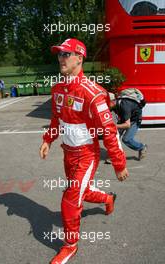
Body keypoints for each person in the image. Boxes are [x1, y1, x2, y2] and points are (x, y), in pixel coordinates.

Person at [39, 38, 129, 264]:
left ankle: (70, 246)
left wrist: (119, 164)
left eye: (66, 54)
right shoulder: (58, 88)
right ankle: (107, 198)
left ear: (79, 58)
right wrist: (48, 139)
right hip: (67, 153)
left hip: (87, 155)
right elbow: (56, 119)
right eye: (59, 54)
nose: (61, 58)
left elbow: (109, 132)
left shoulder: (93, 93)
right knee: (81, 191)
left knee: (70, 199)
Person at [111, 93, 147, 161]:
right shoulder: (113, 105)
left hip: (134, 120)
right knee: (114, 136)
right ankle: (116, 156)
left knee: (126, 139)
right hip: (125, 118)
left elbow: (127, 125)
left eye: (106, 103)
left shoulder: (124, 106)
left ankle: (141, 147)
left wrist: (113, 126)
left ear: (112, 101)